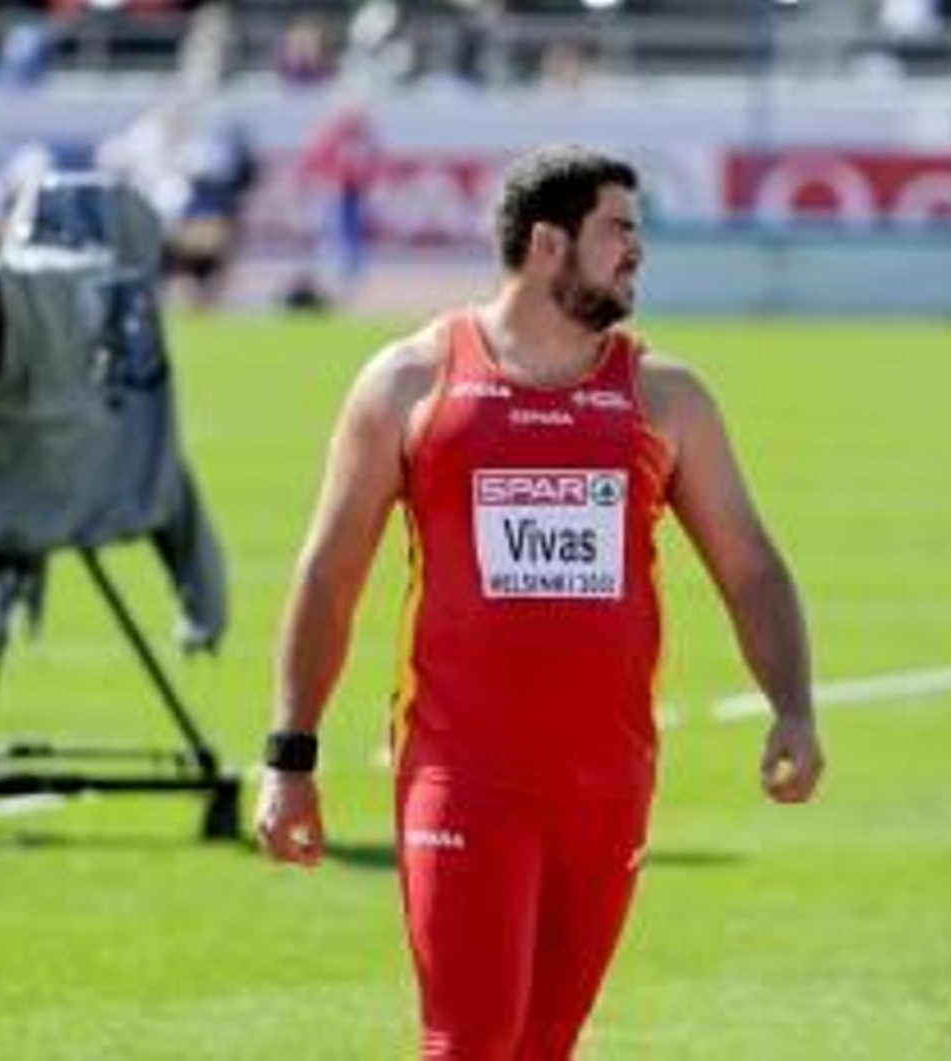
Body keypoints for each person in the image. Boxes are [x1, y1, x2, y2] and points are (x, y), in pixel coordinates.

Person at [255, 144, 824, 1060]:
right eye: (619, 232)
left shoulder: (666, 398)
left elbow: (750, 564)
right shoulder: (411, 382)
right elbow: (330, 573)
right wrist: (290, 755)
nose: (638, 252)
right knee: (472, 1041)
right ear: (548, 243)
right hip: (463, 775)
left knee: (545, 1045)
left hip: (608, 782)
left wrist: (793, 707)